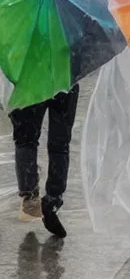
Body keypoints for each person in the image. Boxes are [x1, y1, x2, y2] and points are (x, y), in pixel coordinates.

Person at [10, 85, 79, 238]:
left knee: (26, 140)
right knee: (60, 144)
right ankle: (53, 200)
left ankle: (30, 195)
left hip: (32, 77)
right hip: (64, 77)